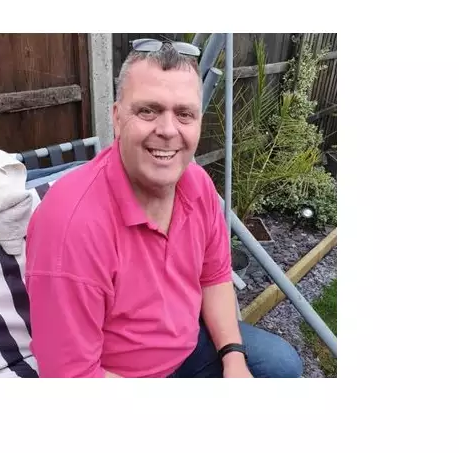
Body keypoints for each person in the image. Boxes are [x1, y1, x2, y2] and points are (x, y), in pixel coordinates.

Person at [25, 40, 303, 378]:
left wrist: (233, 358)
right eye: (148, 111)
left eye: (184, 114)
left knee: (281, 365)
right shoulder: (71, 226)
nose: (168, 130)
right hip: (117, 374)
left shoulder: (197, 185)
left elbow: (214, 277)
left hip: (187, 349)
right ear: (117, 118)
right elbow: (71, 377)